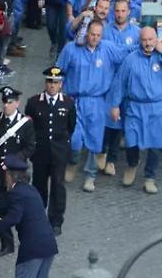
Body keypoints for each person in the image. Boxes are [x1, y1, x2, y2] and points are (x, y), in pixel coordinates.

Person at [107, 25, 162, 193]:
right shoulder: (131, 59)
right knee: (131, 140)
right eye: (144, 40)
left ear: (156, 39)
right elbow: (120, 82)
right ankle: (132, 164)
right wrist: (114, 105)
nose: (148, 43)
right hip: (136, 106)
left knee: (156, 144)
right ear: (139, 41)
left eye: (150, 39)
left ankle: (150, 177)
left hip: (160, 107)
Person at [54, 21, 131, 188]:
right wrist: (56, 96)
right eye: (92, 34)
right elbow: (58, 71)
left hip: (97, 101)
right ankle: (72, 162)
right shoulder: (71, 49)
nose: (94, 38)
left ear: (101, 36)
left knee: (95, 139)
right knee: (73, 138)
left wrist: (147, 43)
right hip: (74, 100)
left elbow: (125, 53)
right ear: (86, 33)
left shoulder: (107, 49)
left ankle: (90, 175)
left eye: (98, 35)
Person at [0, 153, 58, 278]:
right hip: (48, 245)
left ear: (9, 176)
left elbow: (14, 217)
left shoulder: (15, 193)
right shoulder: (29, 189)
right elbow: (12, 209)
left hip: (33, 249)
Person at [0, 86, 37, 257]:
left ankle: (27, 237)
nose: (6, 105)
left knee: (19, 207)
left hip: (16, 174)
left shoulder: (26, 124)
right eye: (4, 102)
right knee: (0, 208)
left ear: (17, 103)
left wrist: (15, 159)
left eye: (10, 102)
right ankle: (7, 244)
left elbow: (30, 147)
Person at [24, 67, 75, 234]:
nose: (52, 86)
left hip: (59, 152)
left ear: (61, 84)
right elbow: (29, 127)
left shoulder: (68, 103)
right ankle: (37, 216)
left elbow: (70, 127)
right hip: (40, 152)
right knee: (39, 185)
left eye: (56, 82)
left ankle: (56, 220)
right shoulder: (34, 102)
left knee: (58, 186)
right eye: (50, 82)